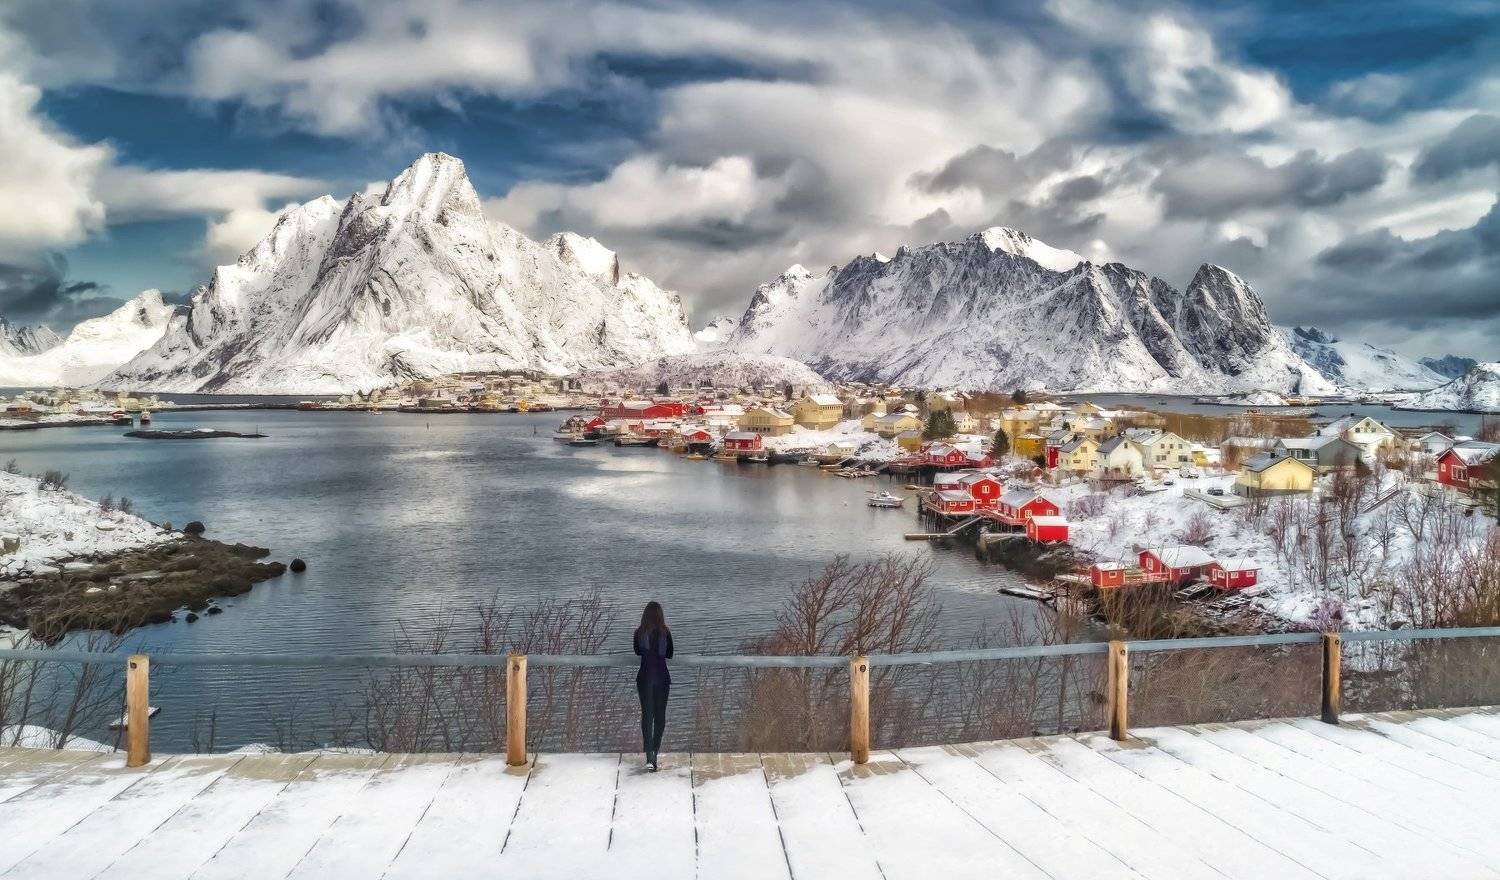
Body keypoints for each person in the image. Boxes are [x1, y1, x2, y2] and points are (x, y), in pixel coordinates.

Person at [633, 600, 673, 771]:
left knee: (647, 717)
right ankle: (655, 751)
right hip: (662, 678)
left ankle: (649, 755)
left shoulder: (639, 632)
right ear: (660, 616)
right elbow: (670, 654)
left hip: (645, 678)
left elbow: (637, 651)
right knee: (660, 717)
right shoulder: (665, 632)